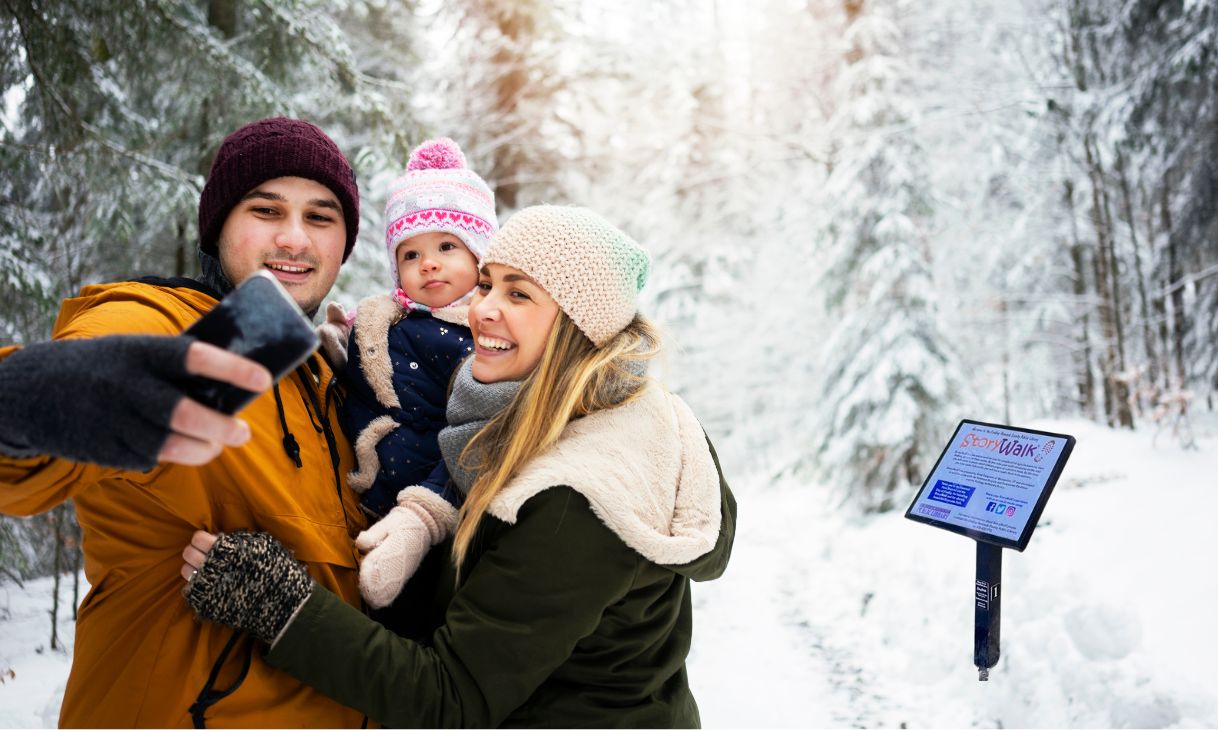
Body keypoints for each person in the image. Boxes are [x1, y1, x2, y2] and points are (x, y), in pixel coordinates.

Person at [181, 205, 738, 728]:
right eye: (488, 282)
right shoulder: (541, 416)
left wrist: (285, 607)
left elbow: (451, 698)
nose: (481, 308)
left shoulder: (577, 497)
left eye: (518, 294)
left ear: (576, 328)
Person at [0, 117, 371, 728]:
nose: (296, 240)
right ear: (219, 225)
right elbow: (27, 449)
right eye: (267, 210)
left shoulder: (331, 380)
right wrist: (35, 396)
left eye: (321, 217)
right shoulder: (163, 324)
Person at [327, 137, 498, 609]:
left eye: (447, 245)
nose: (428, 263)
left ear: (481, 256)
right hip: (362, 492)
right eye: (410, 254)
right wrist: (344, 351)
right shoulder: (383, 318)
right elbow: (366, 383)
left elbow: (484, 426)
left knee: (417, 605)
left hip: (436, 494)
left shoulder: (484, 333)